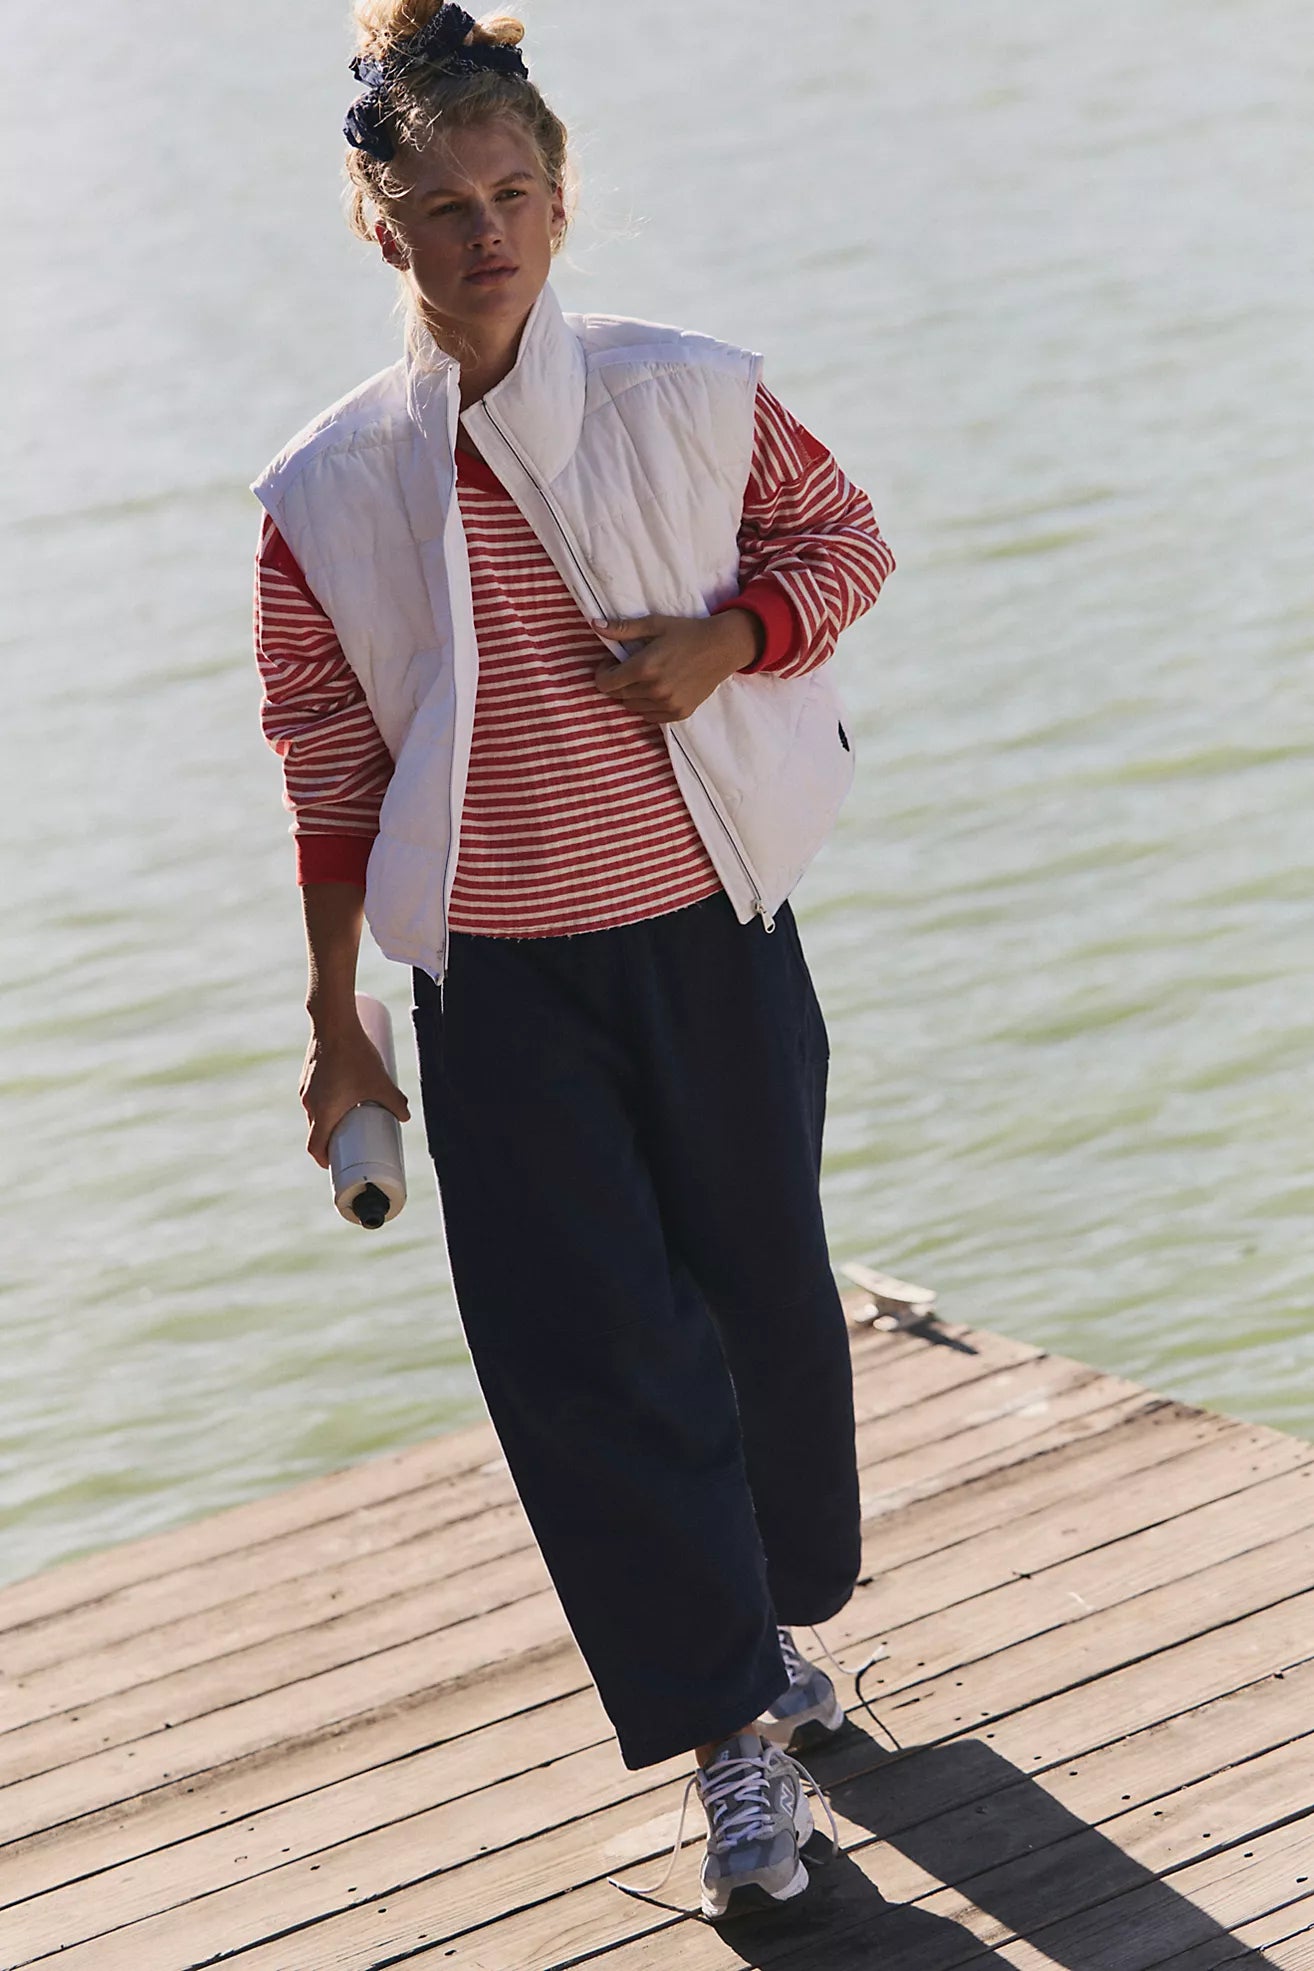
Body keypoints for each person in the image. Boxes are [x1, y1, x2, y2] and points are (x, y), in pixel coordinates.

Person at [253, 0, 894, 1923]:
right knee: (587, 1364)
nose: (486, 234)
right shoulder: (326, 491)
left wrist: (735, 637)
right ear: (379, 228)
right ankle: (725, 1736)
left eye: (514, 193)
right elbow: (328, 768)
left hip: (711, 943)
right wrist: (336, 1022)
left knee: (762, 1318)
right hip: (504, 995)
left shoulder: (686, 390)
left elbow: (843, 542)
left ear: (559, 194)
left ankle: (764, 1627)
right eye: (443, 208)